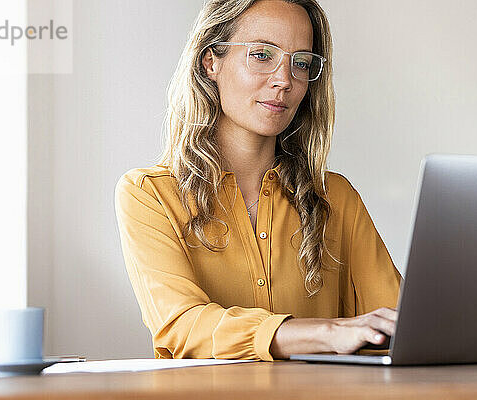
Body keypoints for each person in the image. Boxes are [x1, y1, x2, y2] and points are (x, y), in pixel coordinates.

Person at [114, 0, 402, 361]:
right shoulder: (149, 194)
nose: (285, 80)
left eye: (300, 63)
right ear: (210, 61)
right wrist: (326, 332)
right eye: (262, 55)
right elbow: (182, 327)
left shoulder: (335, 197)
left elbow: (400, 325)